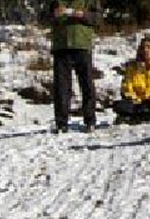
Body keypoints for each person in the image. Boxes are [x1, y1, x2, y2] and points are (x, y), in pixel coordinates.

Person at [46, 1, 100, 133]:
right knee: (61, 87)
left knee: (86, 83)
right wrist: (54, 14)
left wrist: (84, 15)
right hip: (61, 45)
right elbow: (43, 17)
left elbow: (97, 18)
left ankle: (90, 120)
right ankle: (61, 123)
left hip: (82, 44)